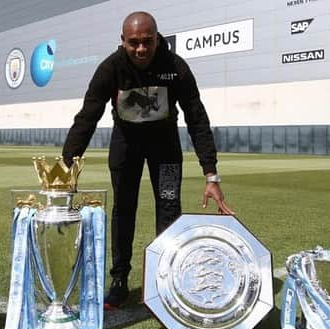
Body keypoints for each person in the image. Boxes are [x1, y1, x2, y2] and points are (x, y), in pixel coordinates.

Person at [62, 11, 234, 309]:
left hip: (165, 147)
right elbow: (87, 116)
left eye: (147, 42)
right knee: (124, 208)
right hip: (126, 145)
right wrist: (68, 165)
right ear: (123, 42)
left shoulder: (175, 67)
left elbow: (197, 119)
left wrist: (211, 174)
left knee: (169, 206)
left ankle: (164, 279)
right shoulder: (110, 69)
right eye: (134, 43)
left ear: (158, 38)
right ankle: (119, 280)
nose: (141, 49)